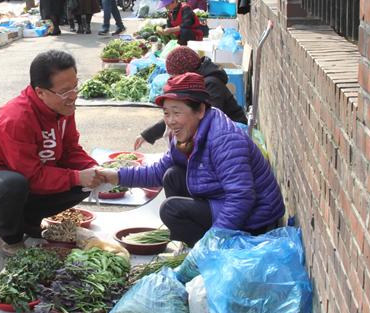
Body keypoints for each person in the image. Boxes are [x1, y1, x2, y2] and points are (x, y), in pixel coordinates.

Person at [97, 73, 285, 246]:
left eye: (177, 112)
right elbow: (158, 171)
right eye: (166, 113)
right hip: (222, 198)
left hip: (255, 216)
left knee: (171, 210)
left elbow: (241, 197)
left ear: (200, 110)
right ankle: (192, 242)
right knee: (172, 175)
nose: (170, 121)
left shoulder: (225, 139)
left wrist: (214, 240)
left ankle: (204, 253)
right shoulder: (184, 136)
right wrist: (114, 176)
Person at [0, 50, 103, 255]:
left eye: (75, 86)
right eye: (65, 91)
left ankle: (29, 222)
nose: (73, 96)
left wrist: (93, 169)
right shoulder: (16, 118)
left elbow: (71, 150)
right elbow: (31, 175)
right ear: (40, 92)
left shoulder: (63, 108)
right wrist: (76, 177)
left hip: (28, 175)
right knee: (14, 184)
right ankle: (9, 238)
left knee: (88, 180)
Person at [135, 46, 246, 149]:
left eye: (174, 76)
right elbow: (180, 115)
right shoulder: (193, 84)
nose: (173, 80)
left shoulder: (211, 84)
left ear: (185, 72)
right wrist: (148, 135)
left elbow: (207, 120)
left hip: (232, 135)